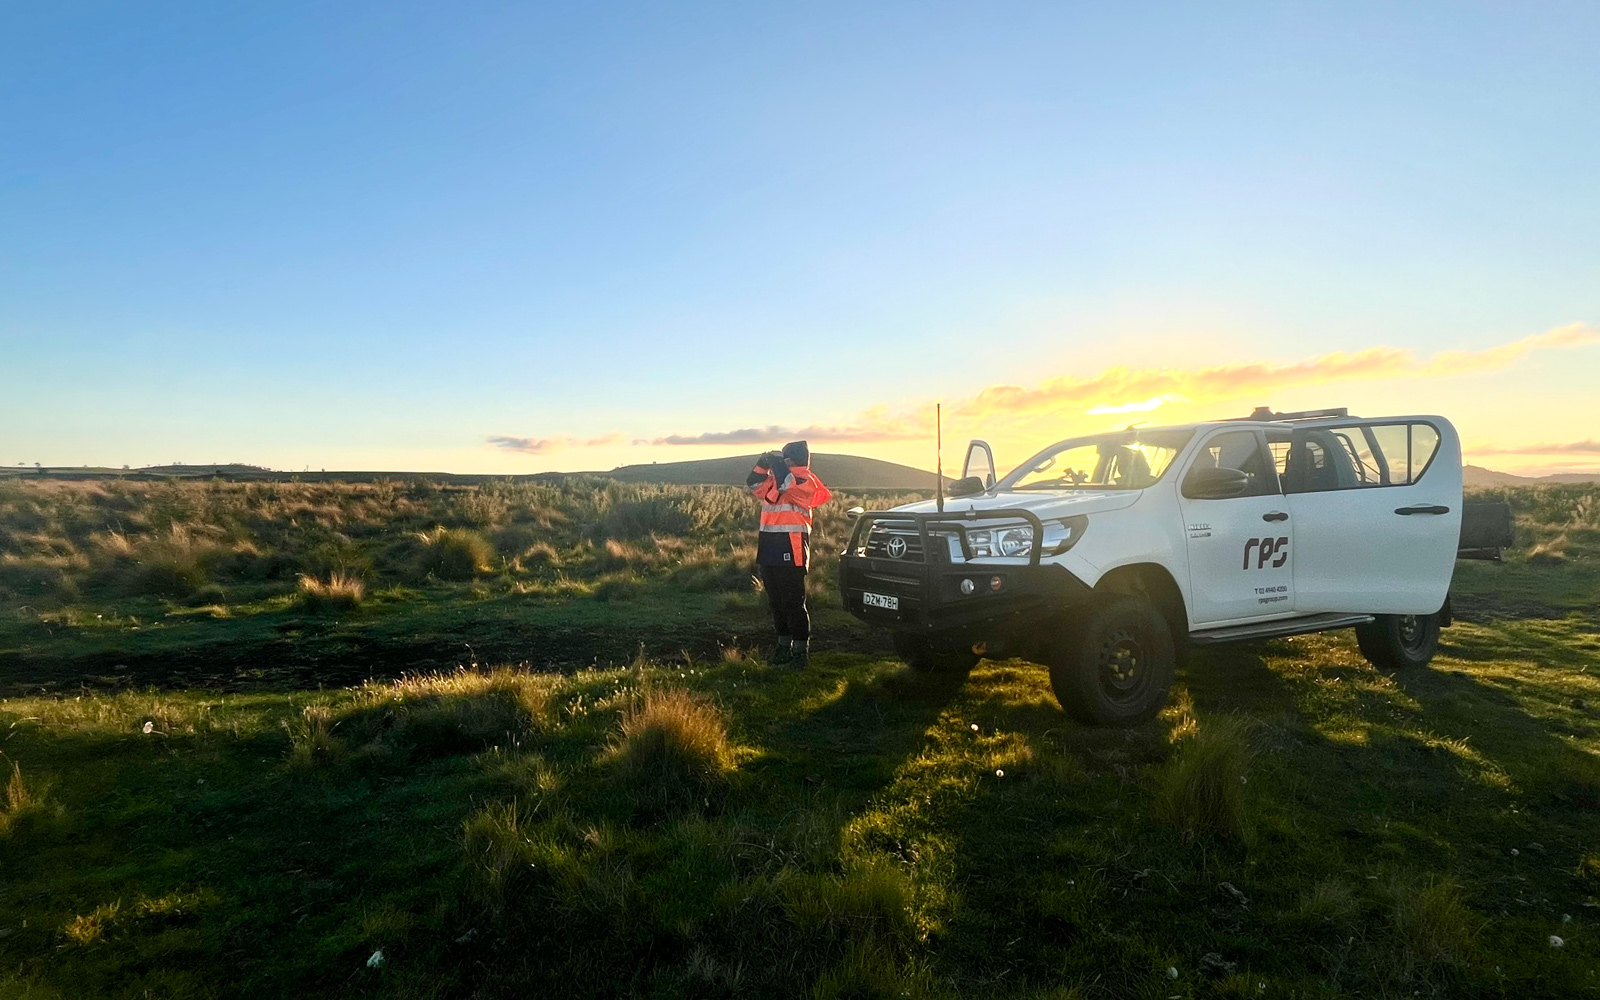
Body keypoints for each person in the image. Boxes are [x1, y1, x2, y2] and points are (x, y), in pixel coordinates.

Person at [746, 440, 831, 667]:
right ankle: (783, 647)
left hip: (791, 548)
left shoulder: (805, 481)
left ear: (792, 459)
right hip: (769, 546)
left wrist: (775, 463)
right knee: (776, 602)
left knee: (793, 602)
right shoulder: (777, 478)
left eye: (785, 458)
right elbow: (753, 484)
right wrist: (762, 464)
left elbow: (787, 483)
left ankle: (800, 653)